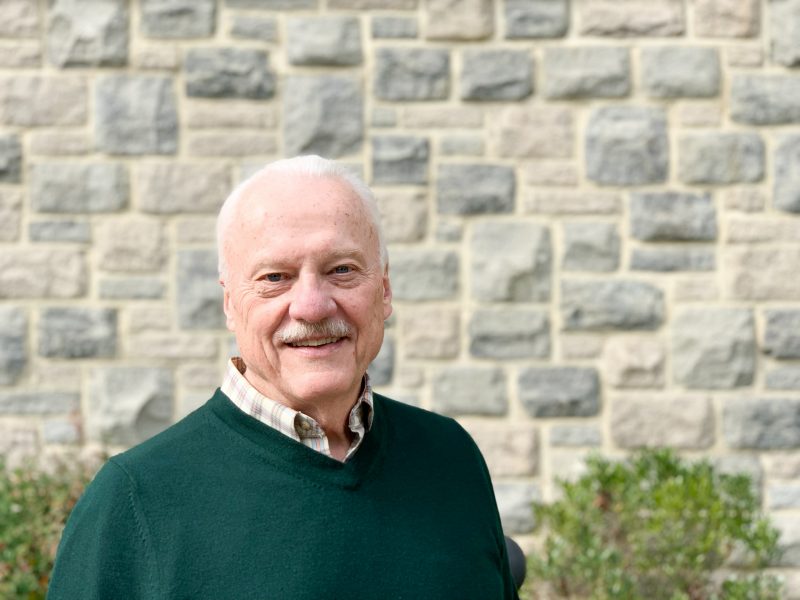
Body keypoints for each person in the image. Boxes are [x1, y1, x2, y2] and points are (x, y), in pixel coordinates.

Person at [48, 155, 519, 599]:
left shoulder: (449, 456)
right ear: (230, 302)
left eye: (341, 269)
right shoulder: (135, 501)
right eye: (275, 277)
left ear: (385, 288)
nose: (312, 306)